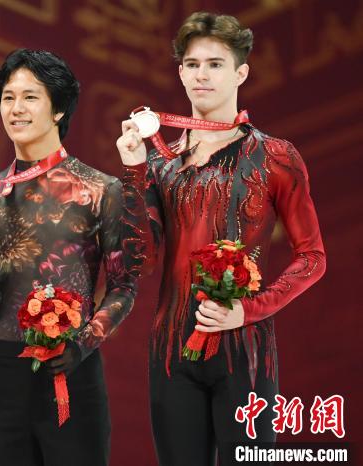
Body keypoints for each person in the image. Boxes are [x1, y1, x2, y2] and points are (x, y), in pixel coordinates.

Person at [116, 12, 326, 466]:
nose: (202, 75)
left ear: (241, 73)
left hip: (245, 351)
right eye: (192, 65)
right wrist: (133, 170)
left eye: (215, 64)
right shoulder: (161, 164)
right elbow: (142, 260)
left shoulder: (275, 156)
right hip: (171, 353)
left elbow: (312, 257)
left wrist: (248, 310)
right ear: (180, 73)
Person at [0, 49, 146, 466]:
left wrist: (84, 343)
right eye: (8, 97)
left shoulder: (100, 189)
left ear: (59, 109)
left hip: (72, 369)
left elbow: (124, 287)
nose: (16, 108)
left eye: (30, 97)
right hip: (5, 375)